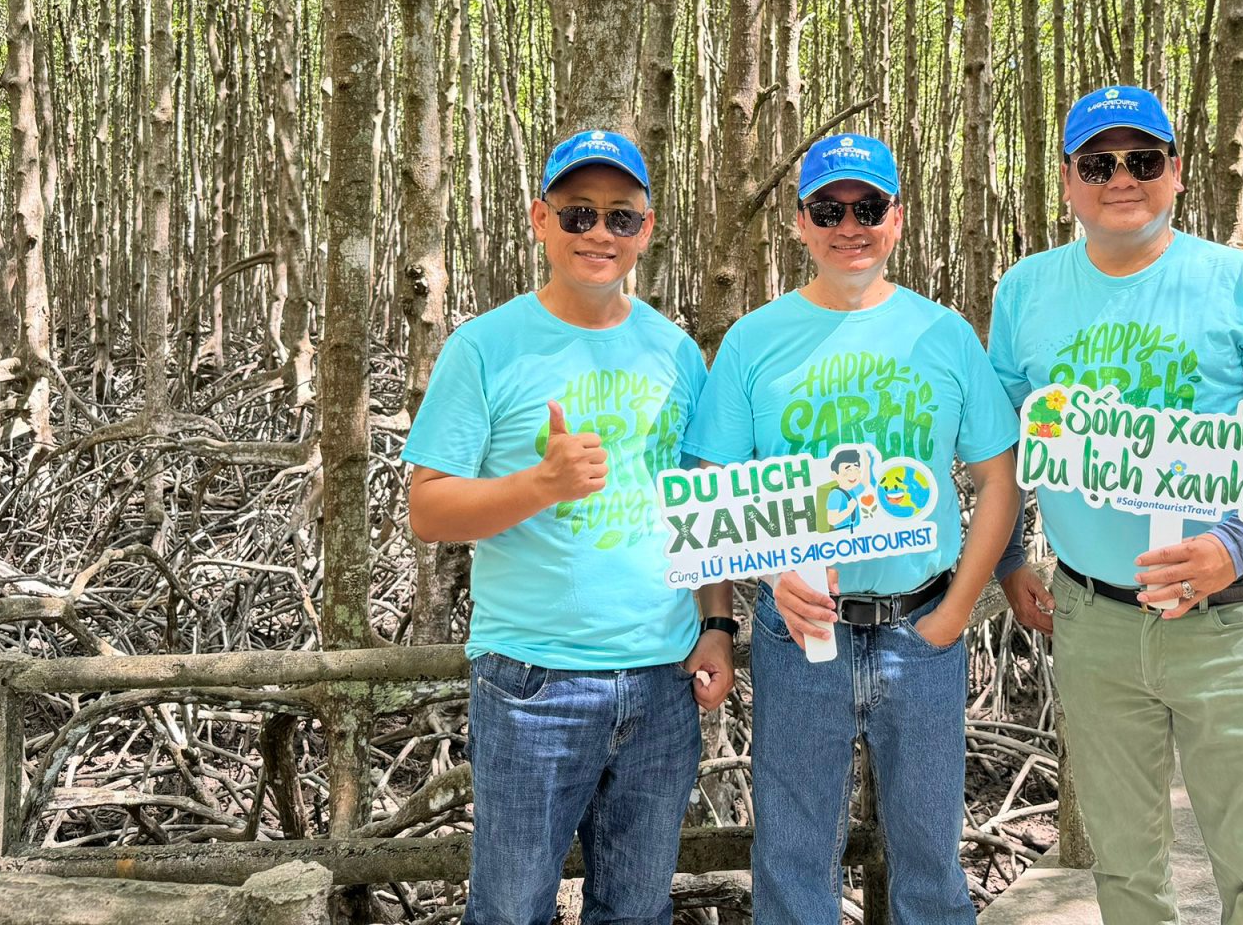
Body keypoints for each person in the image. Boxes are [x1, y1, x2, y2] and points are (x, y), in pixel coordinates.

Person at [993, 86, 1243, 925]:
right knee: (1125, 871)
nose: (1122, 178)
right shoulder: (1025, 291)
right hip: (1091, 620)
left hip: (1225, 615)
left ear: (1176, 175)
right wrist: (1005, 558)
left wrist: (1238, 543)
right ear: (1068, 181)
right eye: (1098, 163)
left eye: (1142, 160)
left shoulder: (1242, 283)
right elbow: (999, 444)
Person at [683, 133, 1021, 925]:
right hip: (796, 639)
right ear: (800, 223)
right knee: (793, 863)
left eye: (868, 207)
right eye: (828, 209)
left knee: (932, 859)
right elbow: (709, 492)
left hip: (921, 630)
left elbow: (999, 481)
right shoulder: (753, 341)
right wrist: (751, 596)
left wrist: (956, 611)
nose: (849, 225)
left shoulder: (943, 334)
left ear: (897, 219)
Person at [405, 130, 734, 925]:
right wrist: (540, 485)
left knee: (637, 910)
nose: (599, 233)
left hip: (661, 680)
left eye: (621, 218)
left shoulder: (676, 353)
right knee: (512, 909)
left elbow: (701, 504)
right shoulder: (483, 347)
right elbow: (427, 508)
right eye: (579, 213)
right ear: (539, 220)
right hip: (531, 684)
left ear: (646, 230)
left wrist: (717, 622)